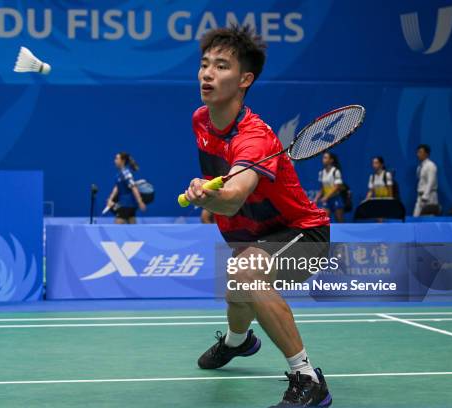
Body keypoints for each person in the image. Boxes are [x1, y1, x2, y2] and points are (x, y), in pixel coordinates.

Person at [182, 26, 332, 407]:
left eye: (220, 66)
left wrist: (207, 197)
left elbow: (231, 199)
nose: (207, 74)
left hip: (303, 234)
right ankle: (239, 342)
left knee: (247, 271)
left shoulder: (255, 137)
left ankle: (307, 377)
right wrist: (209, 193)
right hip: (254, 237)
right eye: (204, 65)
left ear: (245, 79)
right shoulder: (202, 120)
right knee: (237, 291)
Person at [106, 152, 146, 224]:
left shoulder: (126, 173)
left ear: (122, 160)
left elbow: (133, 187)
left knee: (116, 231)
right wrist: (110, 199)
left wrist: (140, 202)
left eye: (117, 158)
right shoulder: (120, 174)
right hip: (127, 205)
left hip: (125, 205)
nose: (115, 160)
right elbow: (117, 187)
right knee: (133, 230)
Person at [314, 152, 344, 223]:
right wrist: (316, 199)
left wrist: (326, 196)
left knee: (339, 221)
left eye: (325, 158)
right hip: (327, 201)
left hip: (336, 199)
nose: (323, 160)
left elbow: (337, 187)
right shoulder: (321, 173)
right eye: (323, 158)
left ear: (331, 160)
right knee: (325, 221)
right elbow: (322, 188)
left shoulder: (336, 171)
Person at [414, 144, 439, 216]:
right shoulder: (420, 167)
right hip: (420, 196)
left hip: (429, 197)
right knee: (416, 218)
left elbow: (431, 182)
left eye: (420, 152)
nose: (418, 154)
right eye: (418, 152)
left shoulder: (431, 165)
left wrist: (425, 196)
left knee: (429, 219)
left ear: (426, 154)